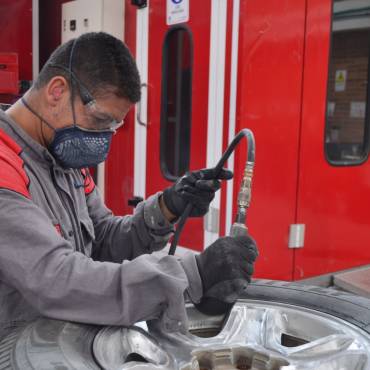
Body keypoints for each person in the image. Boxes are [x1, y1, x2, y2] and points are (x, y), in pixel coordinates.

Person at [0, 32, 258, 340]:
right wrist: (192, 275)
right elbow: (56, 279)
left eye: (113, 126)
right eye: (99, 120)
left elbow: (104, 240)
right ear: (57, 91)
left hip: (59, 344)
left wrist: (168, 206)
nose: (103, 138)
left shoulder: (64, 159)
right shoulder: (6, 165)